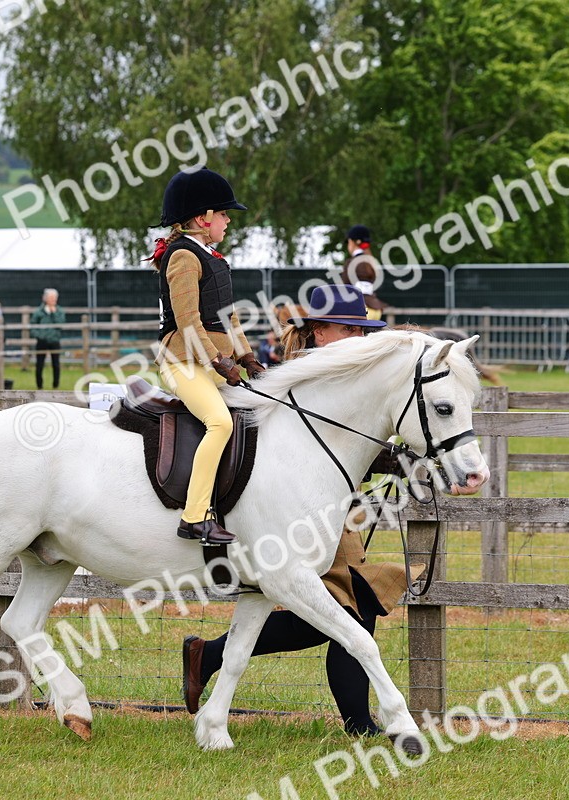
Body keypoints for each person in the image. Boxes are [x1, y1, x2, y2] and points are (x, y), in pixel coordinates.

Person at [182, 284, 412, 737]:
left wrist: (395, 458)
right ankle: (359, 722)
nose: (359, 339)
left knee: (347, 608)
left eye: (362, 330)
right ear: (321, 333)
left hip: (328, 511)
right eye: (350, 329)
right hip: (298, 516)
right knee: (347, 609)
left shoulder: (338, 377)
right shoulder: (303, 379)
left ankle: (210, 657)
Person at [150, 167, 265, 547]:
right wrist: (221, 361)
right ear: (204, 219)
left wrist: (248, 358)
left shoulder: (211, 255)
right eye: (224, 214)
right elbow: (188, 323)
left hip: (212, 363)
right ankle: (194, 517)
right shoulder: (184, 257)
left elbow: (228, 317)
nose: (229, 220)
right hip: (184, 363)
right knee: (219, 423)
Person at [340, 225, 386, 319]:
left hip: (359, 311)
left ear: (353, 242)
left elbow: (345, 289)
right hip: (375, 310)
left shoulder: (351, 262)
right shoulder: (371, 262)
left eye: (348, 242)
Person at [30, 288, 67, 389]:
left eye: (54, 298)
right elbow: (32, 326)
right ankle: (39, 386)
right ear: (45, 298)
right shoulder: (39, 311)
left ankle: (56, 385)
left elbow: (61, 324)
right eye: (51, 298)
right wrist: (40, 336)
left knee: (56, 364)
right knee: (39, 364)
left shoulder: (59, 311)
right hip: (42, 341)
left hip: (54, 341)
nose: (53, 300)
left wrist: (54, 313)